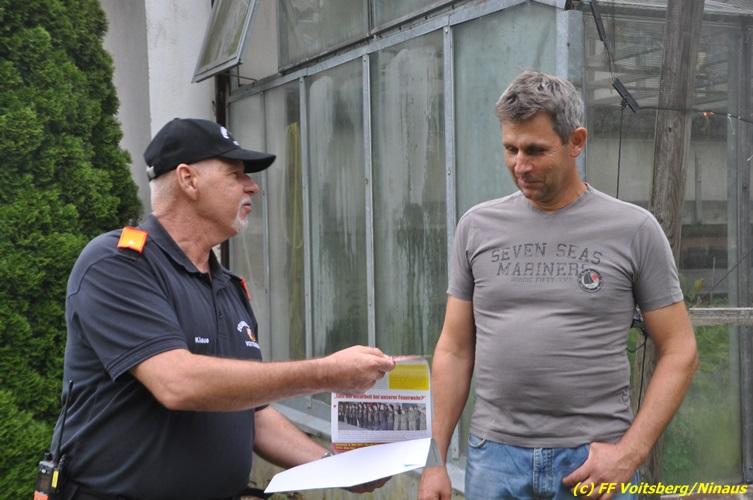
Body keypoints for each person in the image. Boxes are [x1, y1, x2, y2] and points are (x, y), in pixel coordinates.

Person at [50, 118, 396, 499]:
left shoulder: (229, 287)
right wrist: (326, 374)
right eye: (235, 174)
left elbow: (252, 415)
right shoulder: (118, 264)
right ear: (188, 180)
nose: (252, 186)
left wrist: (334, 465)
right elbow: (177, 383)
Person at [418, 71, 698, 500]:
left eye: (536, 150)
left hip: (594, 459)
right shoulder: (476, 227)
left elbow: (680, 349)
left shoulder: (633, 229)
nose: (520, 165)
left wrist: (630, 453)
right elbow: (454, 349)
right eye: (510, 149)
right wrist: (435, 460)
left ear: (576, 141)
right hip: (495, 459)